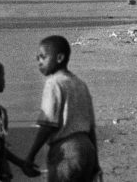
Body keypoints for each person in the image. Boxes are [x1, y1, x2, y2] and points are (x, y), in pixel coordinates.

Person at [24, 35, 99, 182]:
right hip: (87, 149)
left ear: (59, 58)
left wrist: (31, 155)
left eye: (43, 57)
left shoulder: (54, 84)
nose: (39, 62)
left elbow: (48, 124)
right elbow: (91, 128)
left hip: (66, 151)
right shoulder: (79, 84)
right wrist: (95, 163)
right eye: (37, 58)